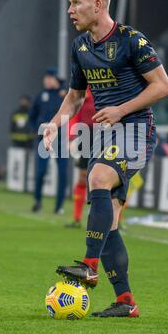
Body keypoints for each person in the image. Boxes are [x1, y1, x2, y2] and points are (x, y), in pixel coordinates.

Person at [41, 0, 168, 317]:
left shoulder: (132, 40)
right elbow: (74, 97)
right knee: (109, 221)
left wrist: (121, 110)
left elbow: (162, 86)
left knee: (97, 178)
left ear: (98, 4)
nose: (70, 9)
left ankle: (88, 265)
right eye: (70, 3)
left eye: (76, 2)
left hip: (136, 129)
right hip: (106, 135)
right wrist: (55, 124)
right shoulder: (80, 47)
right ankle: (126, 301)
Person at [30, 68, 68, 214]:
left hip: (61, 139)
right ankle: (37, 200)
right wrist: (36, 129)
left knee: (63, 174)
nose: (46, 80)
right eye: (45, 77)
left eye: (49, 77)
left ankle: (59, 206)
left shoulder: (65, 94)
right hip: (44, 140)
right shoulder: (41, 95)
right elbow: (32, 116)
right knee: (40, 172)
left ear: (55, 79)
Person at [65, 86, 95, 228]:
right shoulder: (83, 89)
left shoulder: (109, 85)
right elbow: (74, 113)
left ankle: (116, 219)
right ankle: (76, 218)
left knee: (108, 178)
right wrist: (71, 136)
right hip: (86, 135)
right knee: (83, 177)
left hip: (106, 133)